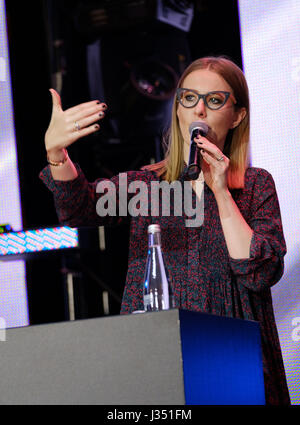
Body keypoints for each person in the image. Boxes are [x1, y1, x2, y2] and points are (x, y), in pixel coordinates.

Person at [40, 56, 290, 405]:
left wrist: (219, 189)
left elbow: (259, 271)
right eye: (189, 98)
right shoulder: (148, 186)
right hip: (158, 368)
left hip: (233, 369)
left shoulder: (254, 186)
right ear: (178, 111)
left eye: (214, 100)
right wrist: (56, 153)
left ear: (237, 115)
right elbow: (78, 206)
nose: (200, 110)